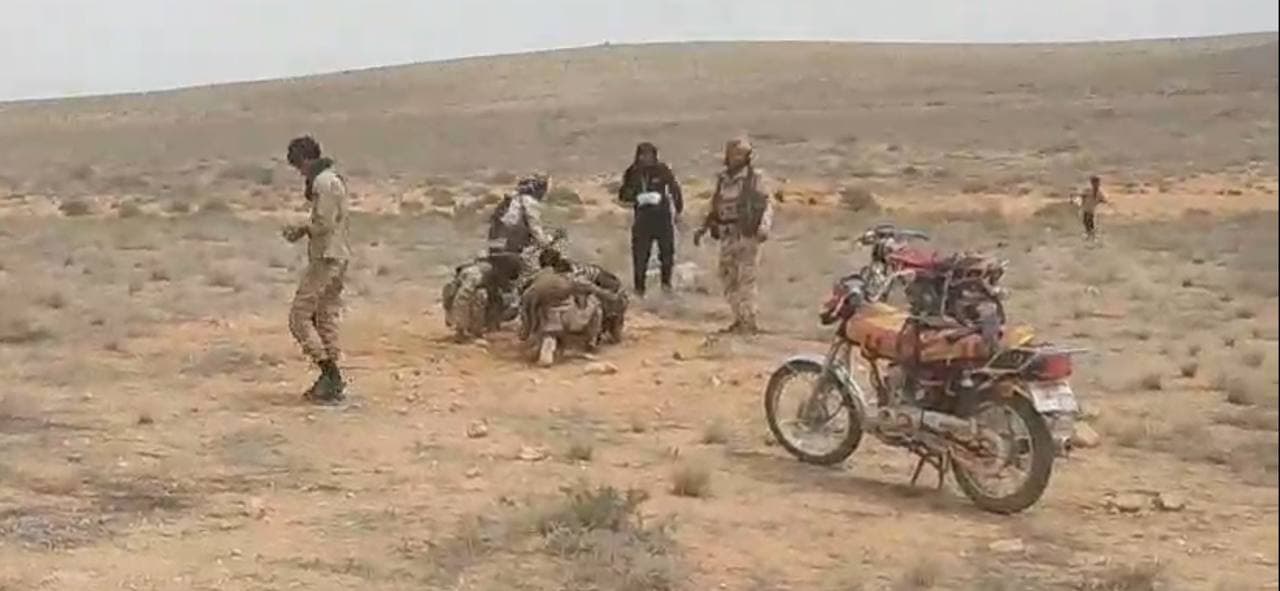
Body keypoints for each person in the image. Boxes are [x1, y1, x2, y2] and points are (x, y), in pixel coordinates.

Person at [281, 135, 352, 404]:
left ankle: (329, 372)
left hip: (326, 258)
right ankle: (332, 380)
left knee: (299, 317)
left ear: (305, 160)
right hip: (337, 256)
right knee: (324, 317)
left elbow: (323, 223)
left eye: (299, 165)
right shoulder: (332, 180)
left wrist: (301, 229)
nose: (300, 171)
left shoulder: (323, 182)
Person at [694, 136, 775, 334]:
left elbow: (767, 204)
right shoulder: (723, 179)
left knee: (746, 279)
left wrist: (764, 226)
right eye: (733, 154)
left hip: (747, 234)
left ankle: (748, 321)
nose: (736, 158)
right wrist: (703, 228)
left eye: (740, 154)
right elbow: (715, 206)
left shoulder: (755, 178)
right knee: (727, 278)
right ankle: (739, 318)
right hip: (727, 235)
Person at [618, 142, 683, 297]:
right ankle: (639, 289)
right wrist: (637, 197)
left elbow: (674, 189)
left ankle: (666, 286)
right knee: (640, 256)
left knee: (667, 254)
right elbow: (623, 195)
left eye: (649, 155)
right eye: (642, 155)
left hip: (662, 218)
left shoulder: (662, 170)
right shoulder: (632, 172)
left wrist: (678, 210)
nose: (645, 158)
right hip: (642, 220)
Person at [1080, 175, 1108, 240]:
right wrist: (1083, 202)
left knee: (1090, 224)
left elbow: (1104, 200)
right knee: (1086, 224)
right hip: (1086, 210)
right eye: (1095, 183)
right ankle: (1090, 236)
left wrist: (1102, 201)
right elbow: (1082, 195)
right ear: (1092, 183)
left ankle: (1091, 237)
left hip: (1091, 211)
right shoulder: (1088, 190)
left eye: (1097, 183)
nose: (1096, 184)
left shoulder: (1099, 192)